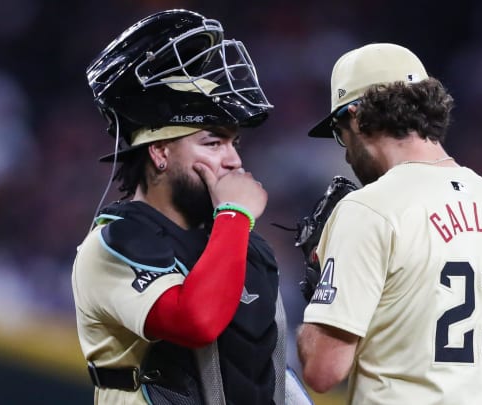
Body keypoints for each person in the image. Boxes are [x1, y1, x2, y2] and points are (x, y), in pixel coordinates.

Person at [296, 43, 482, 404]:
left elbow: (324, 369)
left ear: (355, 116)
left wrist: (320, 304)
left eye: (339, 132)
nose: (346, 151)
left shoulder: (368, 210)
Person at [72, 10, 311, 405]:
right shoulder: (112, 243)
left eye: (235, 143)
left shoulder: (249, 250)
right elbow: (195, 321)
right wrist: (234, 215)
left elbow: (266, 374)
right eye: (213, 143)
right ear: (160, 152)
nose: (233, 160)